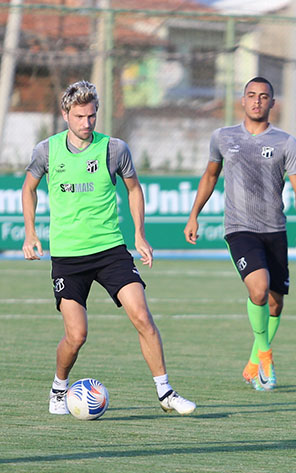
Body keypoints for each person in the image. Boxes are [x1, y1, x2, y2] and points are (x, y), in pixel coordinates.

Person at [22, 80, 195, 416]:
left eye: (92, 116)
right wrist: (30, 234)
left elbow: (134, 189)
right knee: (77, 335)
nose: (87, 123)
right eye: (80, 116)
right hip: (68, 256)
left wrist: (139, 235)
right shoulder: (47, 150)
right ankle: (59, 388)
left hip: (110, 250)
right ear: (65, 115)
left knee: (142, 315)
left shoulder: (114, 149)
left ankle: (165, 392)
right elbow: (28, 189)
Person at [184, 76, 296, 391]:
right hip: (240, 229)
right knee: (258, 289)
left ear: (272, 103)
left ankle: (254, 361)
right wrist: (193, 215)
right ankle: (265, 354)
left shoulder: (286, 143)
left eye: (263, 96)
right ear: (243, 100)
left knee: (275, 304)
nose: (257, 101)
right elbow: (210, 176)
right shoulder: (223, 137)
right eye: (251, 95)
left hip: (275, 230)